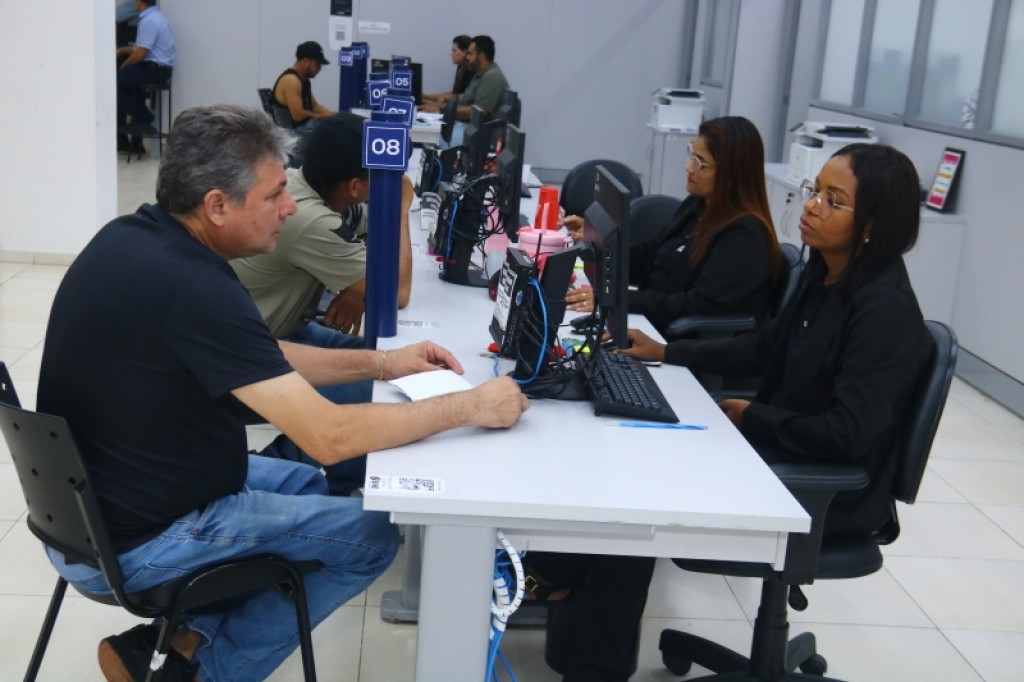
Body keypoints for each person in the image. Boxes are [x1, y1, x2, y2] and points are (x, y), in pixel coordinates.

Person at [36, 104, 529, 682]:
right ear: (217, 205)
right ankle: (203, 671)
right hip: (136, 541)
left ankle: (187, 635)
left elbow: (263, 357)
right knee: (373, 535)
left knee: (305, 484)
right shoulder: (195, 286)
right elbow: (329, 437)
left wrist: (383, 364)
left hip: (91, 508)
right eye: (274, 196)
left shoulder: (133, 239)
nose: (290, 207)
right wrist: (471, 405)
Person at [622, 143, 933, 536]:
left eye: (833, 201)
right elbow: (762, 348)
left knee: (642, 482)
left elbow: (846, 435)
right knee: (636, 447)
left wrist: (754, 417)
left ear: (872, 224)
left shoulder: (883, 310)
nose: (811, 206)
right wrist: (666, 351)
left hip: (819, 491)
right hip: (780, 452)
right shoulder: (825, 275)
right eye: (814, 190)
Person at [231, 112, 414, 496]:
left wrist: (355, 288)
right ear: (354, 186)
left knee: (387, 365)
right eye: (376, 182)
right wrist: (399, 208)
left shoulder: (309, 189)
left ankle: (330, 474)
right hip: (250, 359)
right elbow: (397, 292)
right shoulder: (311, 220)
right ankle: (282, 475)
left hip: (282, 332)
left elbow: (363, 245)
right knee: (373, 391)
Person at [562, 116, 782, 335]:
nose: (688, 167)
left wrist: (615, 298)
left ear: (731, 174)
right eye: (691, 155)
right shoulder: (697, 205)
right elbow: (650, 255)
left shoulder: (744, 235)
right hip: (653, 324)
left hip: (682, 343)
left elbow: (696, 306)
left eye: (700, 163)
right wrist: (599, 239)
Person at [115, 0, 175, 137]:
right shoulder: (157, 17)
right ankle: (138, 120)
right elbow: (140, 47)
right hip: (159, 69)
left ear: (139, 2)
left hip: (154, 70)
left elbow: (140, 54)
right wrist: (123, 50)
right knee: (125, 82)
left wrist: (124, 67)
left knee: (113, 82)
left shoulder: (148, 21)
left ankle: (143, 116)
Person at [272, 41, 337, 164]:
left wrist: (334, 116)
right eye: (317, 64)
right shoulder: (291, 80)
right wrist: (323, 117)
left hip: (300, 132)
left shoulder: (304, 81)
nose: (320, 69)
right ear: (306, 61)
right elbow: (298, 115)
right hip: (290, 135)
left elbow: (315, 106)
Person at [439, 35, 510, 146]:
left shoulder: (492, 77)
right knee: (435, 131)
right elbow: (465, 98)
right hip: (470, 128)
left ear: (481, 56)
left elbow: (477, 112)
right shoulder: (480, 74)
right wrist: (442, 105)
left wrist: (443, 111)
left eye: (470, 54)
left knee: (437, 137)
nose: (467, 58)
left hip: (483, 135)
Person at [420, 34, 473, 108]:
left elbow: (466, 96)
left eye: (454, 50)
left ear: (464, 52)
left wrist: (444, 99)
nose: (451, 54)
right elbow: (455, 93)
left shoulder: (471, 70)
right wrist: (427, 97)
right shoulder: (461, 67)